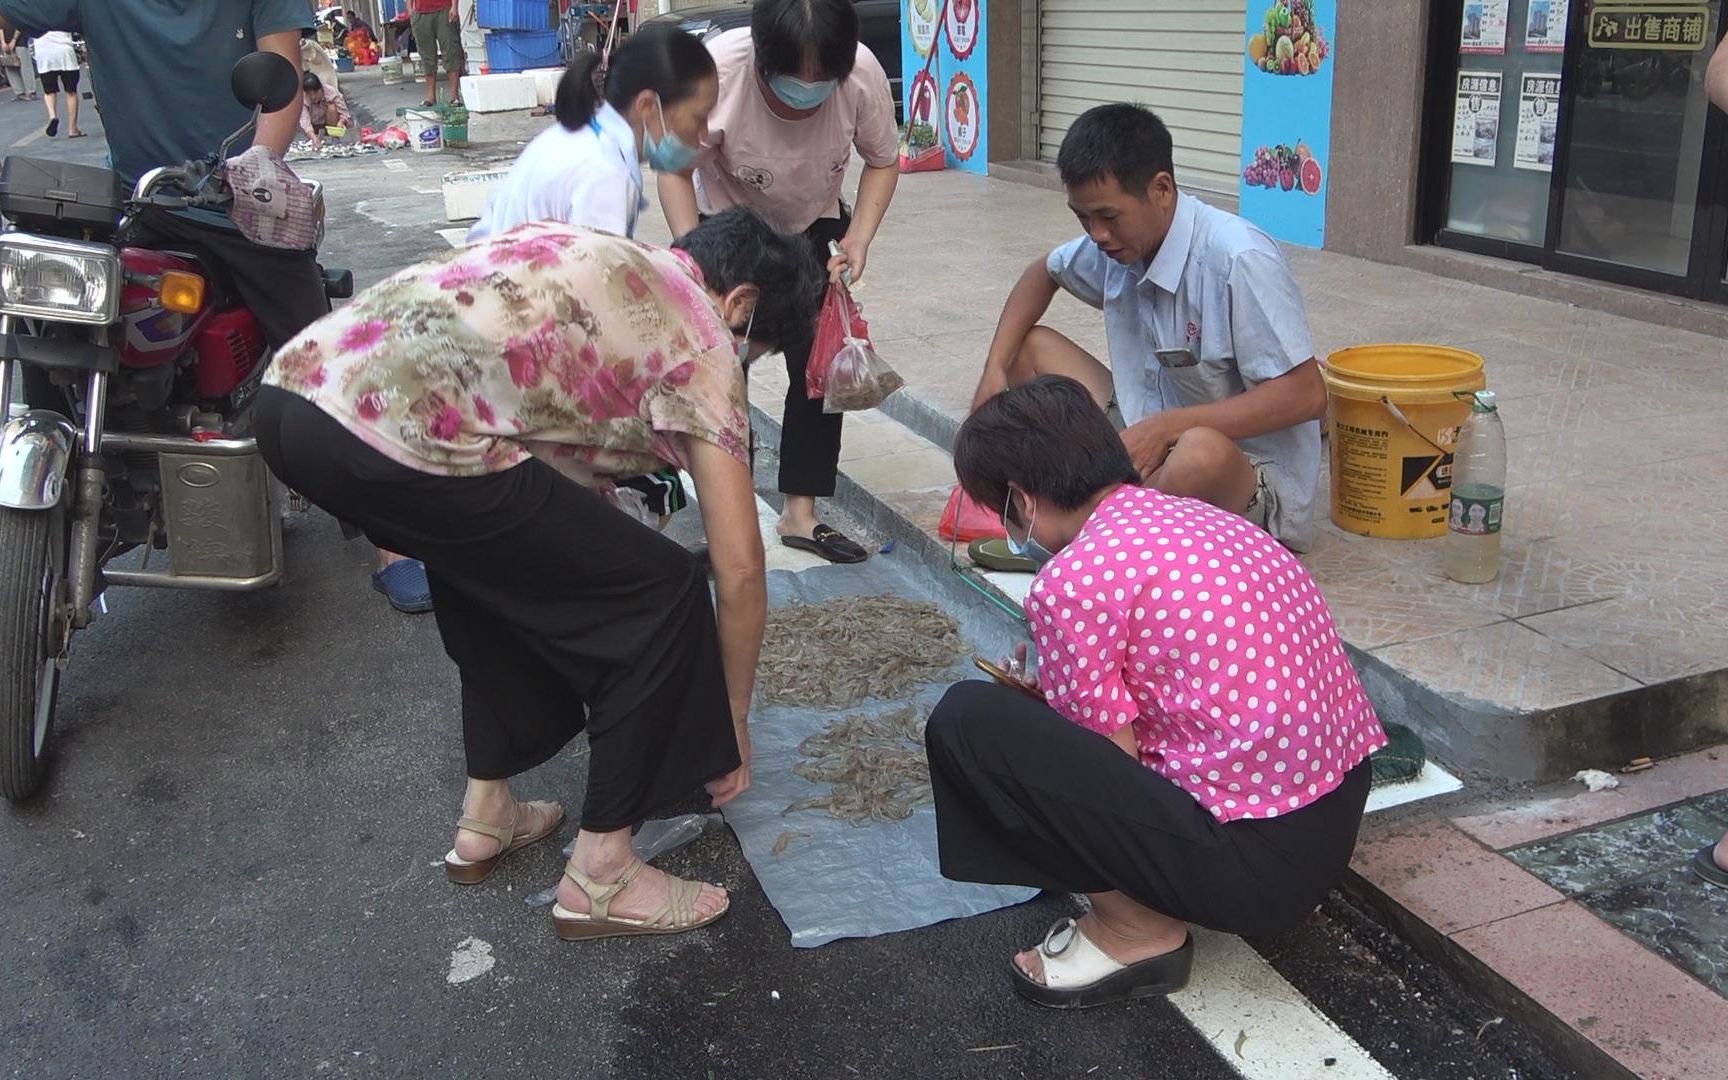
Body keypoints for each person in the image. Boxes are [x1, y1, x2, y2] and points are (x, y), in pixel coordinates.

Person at [254, 209, 823, 940]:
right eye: (760, 348)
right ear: (741, 304)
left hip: (292, 398)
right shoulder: (704, 332)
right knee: (661, 592)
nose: (744, 360)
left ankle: (487, 816)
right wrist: (735, 719)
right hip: (387, 429)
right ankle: (604, 871)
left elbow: (523, 392)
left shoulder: (599, 255)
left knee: (489, 569)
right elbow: (740, 568)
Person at [925, 375, 1387, 1008]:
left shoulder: (1072, 582)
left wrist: (1044, 726)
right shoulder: (1205, 520)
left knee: (968, 722)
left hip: (1253, 876)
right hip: (1329, 824)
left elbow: (1106, 775)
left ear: (1020, 501)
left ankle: (1136, 929)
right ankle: (1170, 902)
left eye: (998, 509)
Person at [0, 2, 429, 613]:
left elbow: (278, 82)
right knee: (50, 323)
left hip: (235, 194)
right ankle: (62, 516)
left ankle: (394, 537)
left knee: (326, 359)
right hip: (138, 202)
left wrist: (255, 161)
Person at [970, 104, 1328, 554]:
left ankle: (1083, 540)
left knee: (1199, 452)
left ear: (1161, 189)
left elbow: (1307, 394)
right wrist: (994, 370)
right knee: (1028, 350)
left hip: (1244, 474)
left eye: (1108, 217)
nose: (1097, 235)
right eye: (1083, 218)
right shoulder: (1116, 245)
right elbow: (1042, 272)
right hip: (1148, 439)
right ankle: (1081, 518)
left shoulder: (1238, 259)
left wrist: (1168, 428)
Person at [658, 0, 899, 565]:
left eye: (823, 81)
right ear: (762, 59)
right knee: (720, 370)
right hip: (731, 228)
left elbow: (884, 161)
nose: (808, 91)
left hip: (815, 226)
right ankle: (726, 521)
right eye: (794, 81)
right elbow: (673, 167)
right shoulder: (716, 72)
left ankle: (800, 512)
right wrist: (695, 260)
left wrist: (858, 238)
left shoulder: (861, 76)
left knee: (820, 370)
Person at [468, 27, 718, 528]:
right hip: (512, 339)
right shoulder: (604, 171)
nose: (702, 136)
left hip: (495, 315)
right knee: (657, 479)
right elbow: (591, 298)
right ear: (650, 106)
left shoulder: (579, 137)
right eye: (696, 118)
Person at [410, 0, 460, 108]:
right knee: (426, 55)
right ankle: (430, 96)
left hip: (444, 8)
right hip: (420, 12)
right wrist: (410, 10)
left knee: (450, 50)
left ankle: (454, 96)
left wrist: (454, 6)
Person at [29, 27, 77, 137]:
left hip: (43, 52)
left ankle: (52, 115)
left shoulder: (36, 11)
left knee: (49, 91)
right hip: (64, 51)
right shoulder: (61, 9)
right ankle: (72, 129)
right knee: (71, 91)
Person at [298, 70, 352, 147]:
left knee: (332, 108)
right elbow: (304, 120)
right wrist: (313, 137)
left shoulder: (331, 92)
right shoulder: (303, 98)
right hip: (314, 125)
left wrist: (341, 121)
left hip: (330, 124)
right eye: (309, 94)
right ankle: (315, 138)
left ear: (321, 89)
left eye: (316, 92)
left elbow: (344, 113)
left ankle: (334, 138)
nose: (313, 97)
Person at [1, 26, 37, 101]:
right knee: (10, 67)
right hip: (6, 43)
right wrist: (3, 42)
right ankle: (19, 92)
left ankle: (31, 91)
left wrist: (14, 40)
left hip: (20, 42)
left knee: (25, 67)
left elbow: (20, 25)